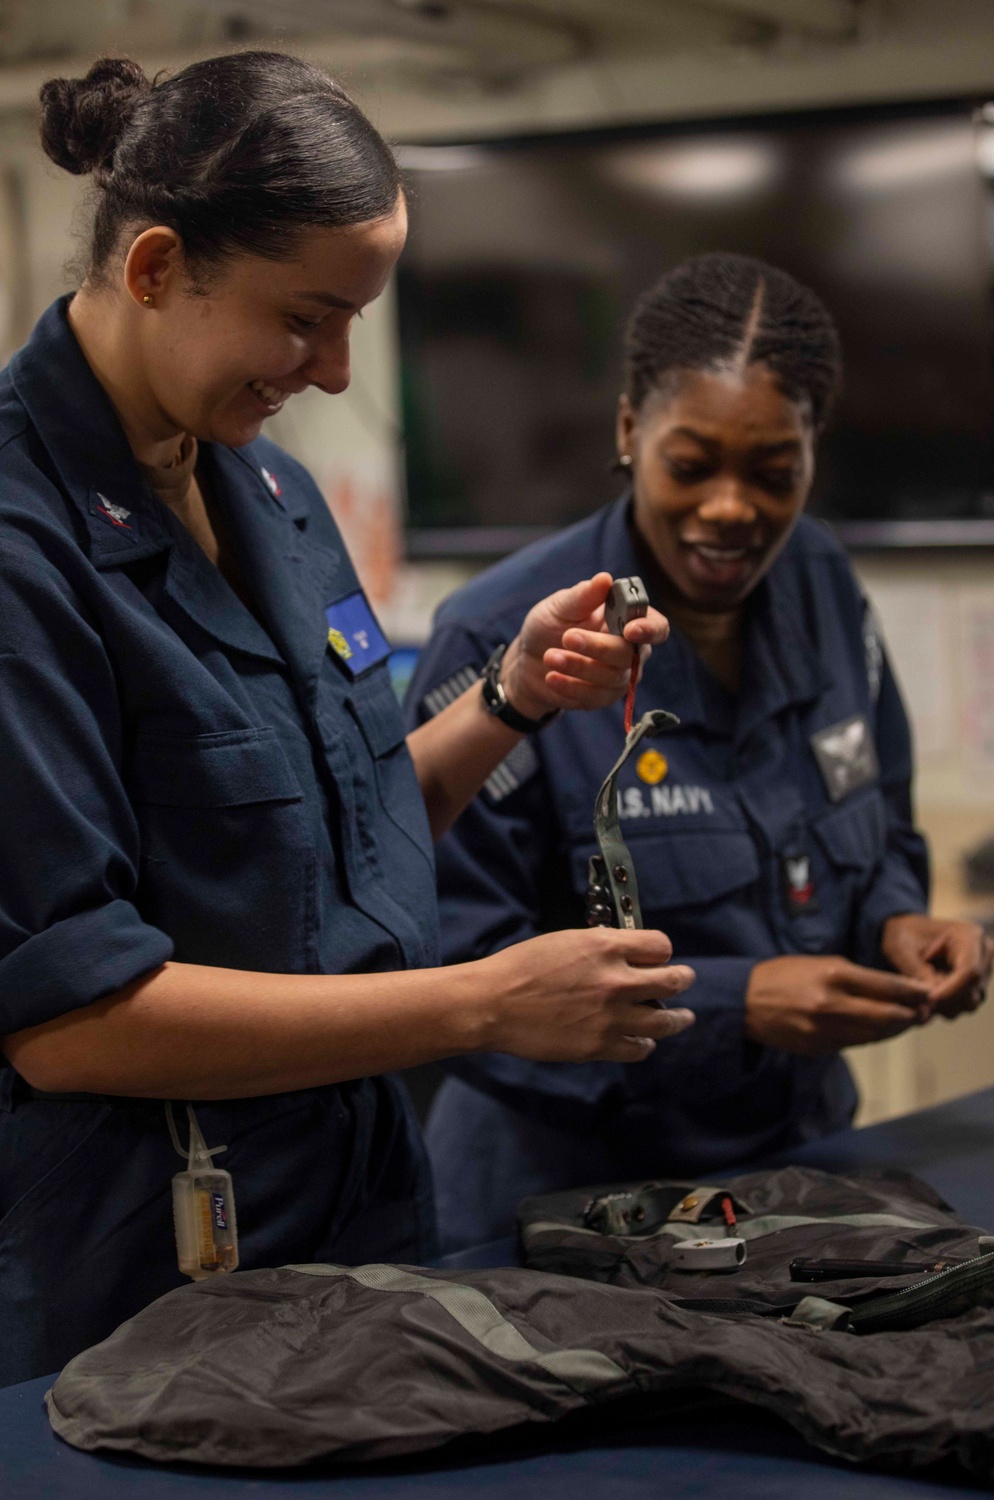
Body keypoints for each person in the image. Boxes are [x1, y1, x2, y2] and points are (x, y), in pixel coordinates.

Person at [0, 53, 698, 1386]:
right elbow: (73, 1016)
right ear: (155, 268)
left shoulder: (268, 496)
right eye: (304, 321)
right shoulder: (23, 549)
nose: (331, 374)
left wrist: (509, 700)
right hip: (144, 1277)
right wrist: (476, 1006)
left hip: (357, 1220)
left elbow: (337, 837)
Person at [409, 252, 994, 1251]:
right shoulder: (501, 641)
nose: (732, 507)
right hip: (566, 1213)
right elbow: (456, 970)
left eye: (774, 473)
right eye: (692, 465)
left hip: (799, 1176)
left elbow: (879, 820)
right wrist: (737, 1004)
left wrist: (900, 920)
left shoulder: (821, 583)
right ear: (630, 429)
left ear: (813, 452)